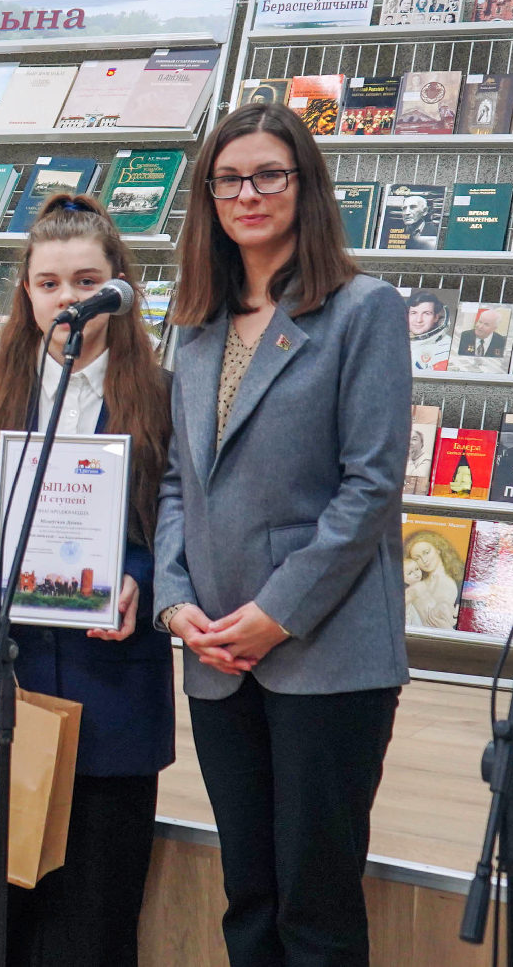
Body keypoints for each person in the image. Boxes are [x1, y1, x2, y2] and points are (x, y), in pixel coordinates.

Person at [154, 102, 411, 967]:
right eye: (228, 180)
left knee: (315, 902)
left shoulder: (363, 310)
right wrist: (175, 603)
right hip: (216, 656)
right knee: (250, 897)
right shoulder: (196, 324)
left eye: (268, 174)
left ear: (306, 185)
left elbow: (370, 487)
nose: (248, 194)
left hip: (325, 654)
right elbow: (176, 481)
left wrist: (277, 613)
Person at [0, 192, 175, 967]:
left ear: (118, 287)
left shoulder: (161, 398)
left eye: (85, 281)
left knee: (95, 925)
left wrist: (138, 580)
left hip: (113, 689)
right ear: (27, 292)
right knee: (1, 923)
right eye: (49, 282)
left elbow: (177, 525)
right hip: (12, 679)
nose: (67, 299)